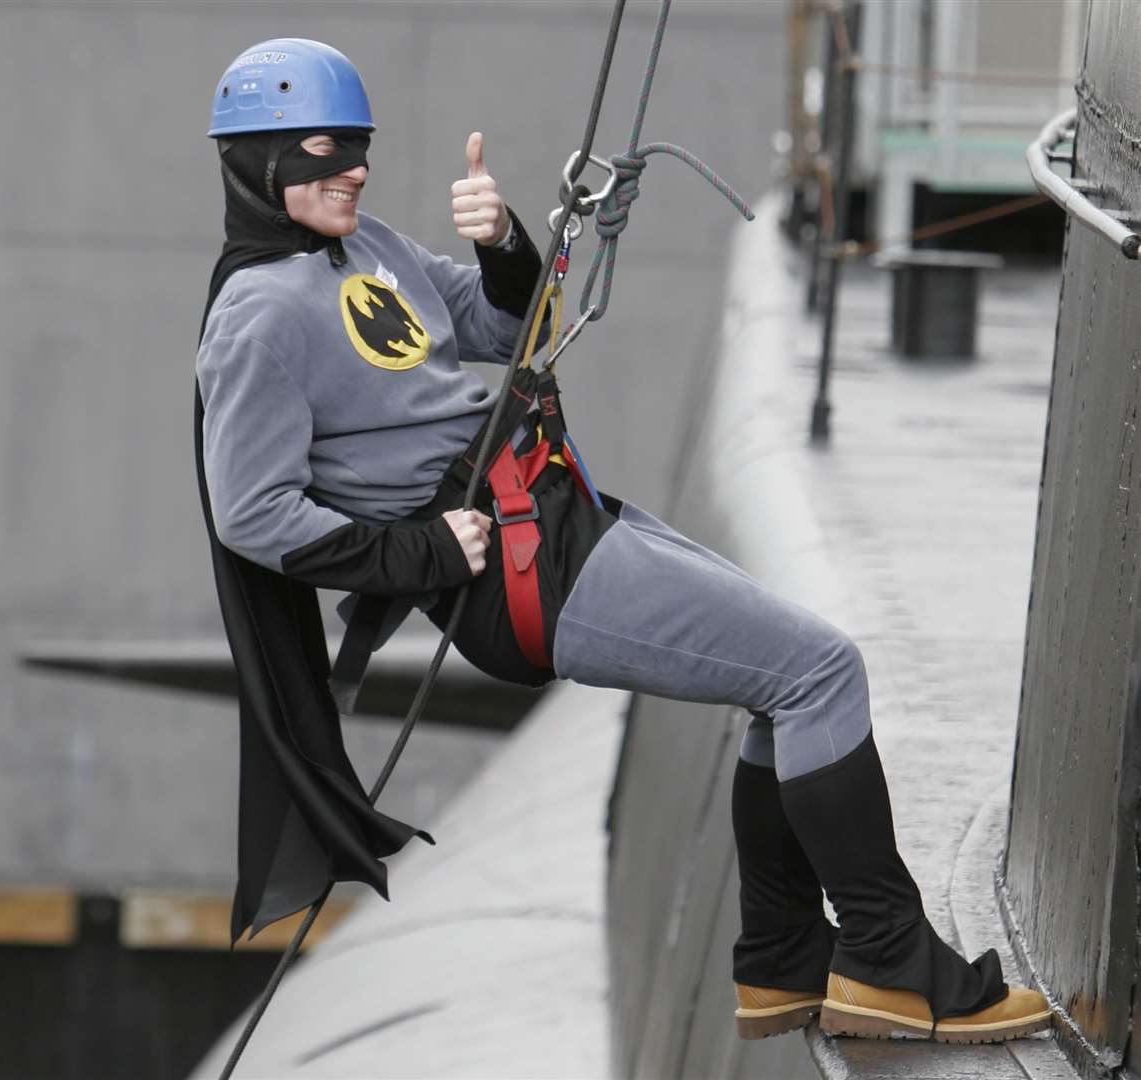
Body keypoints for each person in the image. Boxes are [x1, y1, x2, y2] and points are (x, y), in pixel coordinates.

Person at [194, 38, 1051, 1043]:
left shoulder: (361, 246)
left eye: (361, 149)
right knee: (817, 671)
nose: (355, 169)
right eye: (327, 151)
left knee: (786, 676)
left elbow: (503, 323)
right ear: (258, 164)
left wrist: (500, 240)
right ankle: (888, 958)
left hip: (553, 514)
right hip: (516, 573)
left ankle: (782, 963)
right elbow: (250, 512)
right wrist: (421, 556)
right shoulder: (252, 320)